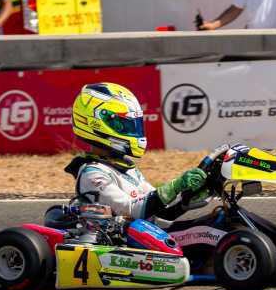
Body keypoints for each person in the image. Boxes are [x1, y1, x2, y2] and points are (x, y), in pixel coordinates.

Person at [65, 82, 213, 220]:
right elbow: (132, 210)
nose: (131, 130)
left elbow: (156, 212)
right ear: (96, 123)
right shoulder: (92, 174)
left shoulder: (124, 166)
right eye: (122, 124)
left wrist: (184, 202)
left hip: (151, 236)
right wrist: (176, 185)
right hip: (123, 242)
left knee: (217, 220)